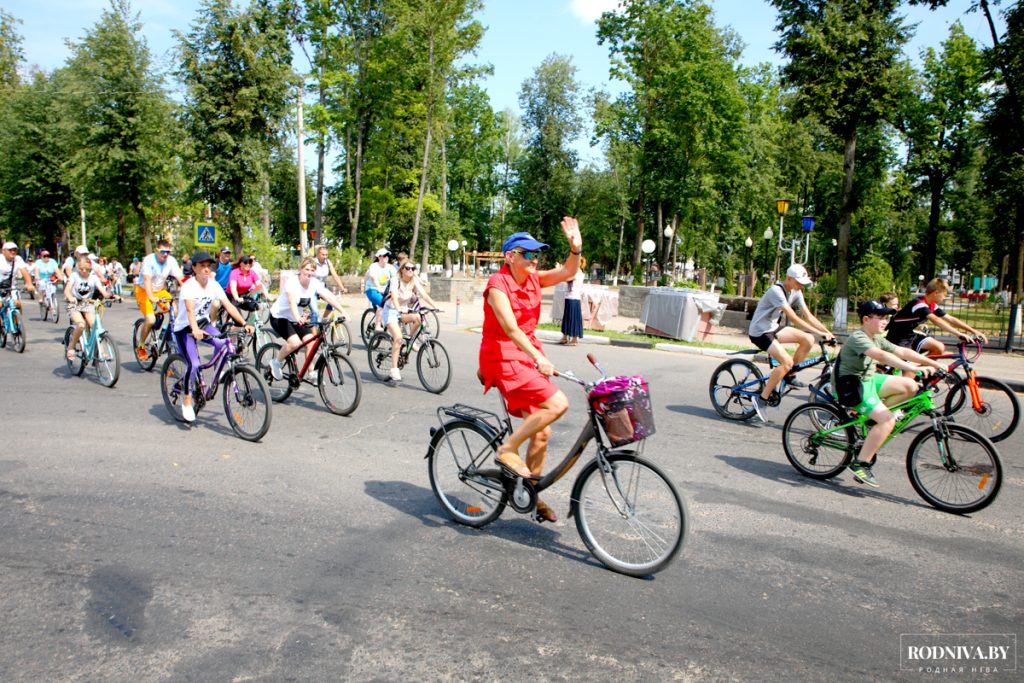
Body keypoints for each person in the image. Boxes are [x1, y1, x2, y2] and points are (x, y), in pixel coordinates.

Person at [479, 218, 583, 524]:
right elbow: (510, 329)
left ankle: (531, 494)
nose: (535, 260)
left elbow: (568, 271)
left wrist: (575, 248)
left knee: (542, 433)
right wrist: (538, 356)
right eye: (528, 254)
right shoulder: (498, 284)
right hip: (503, 357)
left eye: (537, 254)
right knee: (558, 404)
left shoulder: (535, 278)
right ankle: (507, 448)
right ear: (510, 256)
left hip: (526, 355)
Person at [832, 300, 943, 487]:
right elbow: (883, 356)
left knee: (910, 386)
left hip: (867, 380)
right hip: (851, 387)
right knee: (888, 420)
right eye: (881, 317)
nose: (886, 321)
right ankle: (861, 463)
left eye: (887, 317)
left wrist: (934, 363)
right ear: (866, 319)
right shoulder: (859, 337)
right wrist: (913, 368)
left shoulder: (876, 337)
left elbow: (901, 351)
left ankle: (873, 422)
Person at [172, 251, 253, 423]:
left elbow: (229, 306)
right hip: (186, 328)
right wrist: (194, 329)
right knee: (193, 364)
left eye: (208, 266)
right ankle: (187, 399)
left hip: (203, 324)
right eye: (202, 266)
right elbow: (190, 311)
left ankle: (220, 373)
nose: (206, 269)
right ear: (194, 268)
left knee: (224, 344)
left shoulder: (214, 285)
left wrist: (244, 324)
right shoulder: (189, 286)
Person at [747, 263, 835, 422]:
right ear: (788, 278)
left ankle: (789, 375)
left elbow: (808, 316)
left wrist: (827, 333)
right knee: (786, 362)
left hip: (773, 328)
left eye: (803, 282)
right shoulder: (776, 291)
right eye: (798, 282)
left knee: (808, 339)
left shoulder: (796, 291)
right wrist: (819, 333)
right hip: (760, 332)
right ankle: (761, 399)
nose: (801, 285)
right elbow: (794, 318)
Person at [267, 257, 349, 381]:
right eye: (307, 269)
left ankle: (311, 372)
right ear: (300, 269)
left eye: (312, 270)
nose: (309, 272)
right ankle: (276, 362)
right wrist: (298, 317)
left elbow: (328, 297)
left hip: (297, 318)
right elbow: (291, 302)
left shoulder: (314, 283)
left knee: (311, 341)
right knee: (295, 343)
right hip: (280, 317)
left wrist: (343, 311)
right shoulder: (292, 282)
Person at [885, 277, 988, 357]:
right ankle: (914, 375)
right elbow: (936, 320)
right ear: (936, 293)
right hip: (897, 338)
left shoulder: (932, 305)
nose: (944, 298)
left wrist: (974, 331)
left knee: (939, 347)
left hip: (909, 335)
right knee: (910, 367)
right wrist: (958, 334)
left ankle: (922, 374)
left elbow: (951, 319)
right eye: (944, 295)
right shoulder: (919, 304)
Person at [381, 261, 442, 381]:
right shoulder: (395, 280)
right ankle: (394, 370)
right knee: (398, 337)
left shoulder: (413, 280)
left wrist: (435, 307)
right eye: (408, 268)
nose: (410, 270)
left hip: (403, 310)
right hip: (391, 311)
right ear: (402, 270)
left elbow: (424, 294)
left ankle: (408, 340)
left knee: (418, 318)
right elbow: (393, 296)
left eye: (413, 268)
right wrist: (398, 310)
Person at [134, 240, 183, 362]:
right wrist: (151, 297)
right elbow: (146, 280)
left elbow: (180, 277)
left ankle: (166, 331)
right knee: (150, 320)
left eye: (168, 252)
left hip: (160, 290)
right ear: (156, 251)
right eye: (162, 251)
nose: (165, 254)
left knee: (175, 312)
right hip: (144, 291)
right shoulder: (149, 261)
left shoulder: (171, 261)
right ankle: (141, 345)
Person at [63, 254, 119, 360]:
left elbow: (103, 291)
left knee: (96, 326)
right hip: (74, 304)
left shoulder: (94, 278)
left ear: (90, 268)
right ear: (78, 267)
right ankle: (71, 346)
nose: (84, 271)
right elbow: (67, 290)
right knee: (81, 325)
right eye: (82, 268)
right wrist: (70, 297)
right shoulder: (74, 276)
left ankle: (101, 352)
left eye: (87, 269)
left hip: (87, 304)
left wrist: (111, 296)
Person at [364, 248, 396, 331]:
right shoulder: (374, 266)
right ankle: (377, 326)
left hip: (384, 291)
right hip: (372, 289)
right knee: (383, 304)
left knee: (394, 304)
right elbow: (373, 278)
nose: (386, 257)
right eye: (384, 255)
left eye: (387, 256)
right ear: (379, 257)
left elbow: (395, 279)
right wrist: (378, 287)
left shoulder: (390, 267)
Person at [0, 241, 35, 310]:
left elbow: (24, 272)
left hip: (11, 287)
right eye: (10, 250)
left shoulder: (18, 259)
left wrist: (29, 284)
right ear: (3, 251)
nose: (13, 252)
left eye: (14, 250)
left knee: (17, 304)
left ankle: (18, 320)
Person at [560, 256, 586, 345]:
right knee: (568, 317)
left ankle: (574, 339)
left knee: (573, 318)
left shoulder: (578, 273)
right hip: (570, 297)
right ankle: (565, 337)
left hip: (574, 298)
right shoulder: (575, 272)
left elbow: (567, 278)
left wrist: (560, 269)